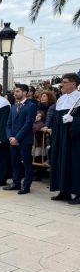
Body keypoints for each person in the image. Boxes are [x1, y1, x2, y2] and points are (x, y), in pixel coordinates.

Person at [49, 73, 80, 203]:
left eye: (65, 81)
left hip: (75, 138)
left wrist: (75, 119)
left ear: (73, 84)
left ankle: (78, 193)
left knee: (75, 164)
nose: (62, 84)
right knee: (61, 162)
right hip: (61, 136)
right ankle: (64, 190)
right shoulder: (61, 99)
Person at [3, 84, 37, 194]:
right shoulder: (13, 106)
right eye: (14, 91)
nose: (15, 93)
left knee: (26, 163)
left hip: (24, 140)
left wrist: (17, 138)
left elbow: (28, 124)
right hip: (12, 140)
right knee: (15, 162)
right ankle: (16, 183)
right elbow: (8, 123)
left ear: (25, 92)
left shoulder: (31, 106)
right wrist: (9, 137)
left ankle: (26, 185)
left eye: (17, 91)